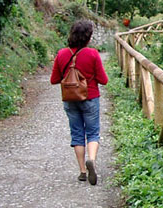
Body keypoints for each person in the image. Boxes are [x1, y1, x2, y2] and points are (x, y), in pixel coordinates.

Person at [50, 20, 108, 185]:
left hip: (70, 100)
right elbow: (104, 80)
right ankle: (92, 160)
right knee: (93, 133)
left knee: (77, 134)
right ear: (88, 37)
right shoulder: (92, 54)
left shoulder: (61, 54)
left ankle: (82, 170)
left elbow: (54, 79)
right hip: (90, 98)